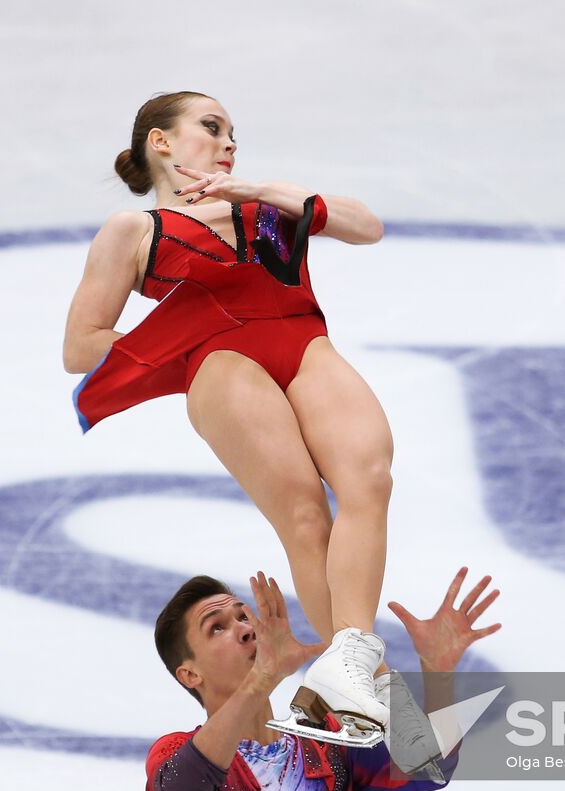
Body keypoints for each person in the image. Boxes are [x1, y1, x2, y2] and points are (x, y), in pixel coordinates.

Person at [63, 90, 397, 743]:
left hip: (303, 341)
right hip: (223, 366)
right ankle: (358, 686)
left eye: (233, 133)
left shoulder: (266, 201)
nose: (227, 142)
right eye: (211, 127)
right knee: (305, 516)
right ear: (160, 141)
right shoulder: (133, 230)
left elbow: (366, 226)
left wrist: (262, 190)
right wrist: (185, 336)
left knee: (371, 479)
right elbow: (81, 347)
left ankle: (352, 664)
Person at [148, 566, 502, 791]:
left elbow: (428, 768)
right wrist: (264, 677)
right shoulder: (175, 752)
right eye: (217, 628)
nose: (244, 629)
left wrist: (437, 669)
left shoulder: (320, 743)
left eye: (243, 617)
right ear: (190, 674)